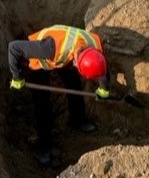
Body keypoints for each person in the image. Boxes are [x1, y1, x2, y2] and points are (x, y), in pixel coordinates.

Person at [8, 24, 110, 167]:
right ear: (76, 61)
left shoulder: (94, 43)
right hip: (37, 59)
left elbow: (101, 66)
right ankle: (43, 147)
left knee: (73, 80)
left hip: (63, 54)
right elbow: (13, 48)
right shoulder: (48, 49)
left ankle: (78, 119)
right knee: (42, 103)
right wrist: (17, 77)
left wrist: (104, 89)